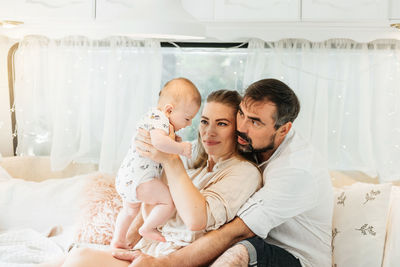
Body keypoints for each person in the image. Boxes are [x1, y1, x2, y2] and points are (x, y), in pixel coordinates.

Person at [111, 78, 334, 267]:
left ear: (283, 129)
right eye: (242, 115)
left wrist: (164, 264)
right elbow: (187, 156)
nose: (242, 128)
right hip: (253, 238)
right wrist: (158, 144)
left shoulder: (295, 171)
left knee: (241, 248)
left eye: (255, 122)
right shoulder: (246, 143)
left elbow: (236, 232)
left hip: (294, 257)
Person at [44, 89, 262, 267]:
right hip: (146, 249)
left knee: (79, 260)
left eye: (222, 123)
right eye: (205, 122)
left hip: (171, 257)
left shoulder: (244, 172)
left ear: (238, 130)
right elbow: (151, 203)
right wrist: (126, 241)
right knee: (60, 260)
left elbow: (196, 221)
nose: (209, 132)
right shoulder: (197, 164)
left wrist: (170, 158)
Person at [112, 77, 201, 247]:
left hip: (126, 178)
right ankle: (148, 228)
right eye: (187, 118)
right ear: (169, 110)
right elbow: (159, 143)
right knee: (167, 202)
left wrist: (173, 142)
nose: (189, 124)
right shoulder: (160, 119)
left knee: (130, 210)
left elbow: (160, 144)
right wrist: (180, 148)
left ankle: (118, 239)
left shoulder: (152, 117)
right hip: (142, 178)